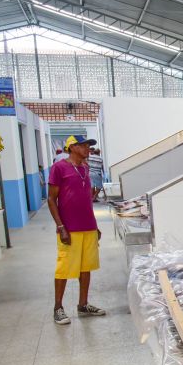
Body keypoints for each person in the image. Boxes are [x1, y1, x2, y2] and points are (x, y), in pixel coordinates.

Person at [47, 135, 107, 325]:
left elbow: (86, 201)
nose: (88, 149)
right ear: (72, 147)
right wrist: (61, 227)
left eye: (89, 146)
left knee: (86, 267)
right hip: (69, 228)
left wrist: (95, 225)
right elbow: (51, 199)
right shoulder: (59, 168)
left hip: (88, 226)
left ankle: (83, 304)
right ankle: (58, 308)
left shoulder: (85, 167)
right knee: (64, 269)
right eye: (84, 145)